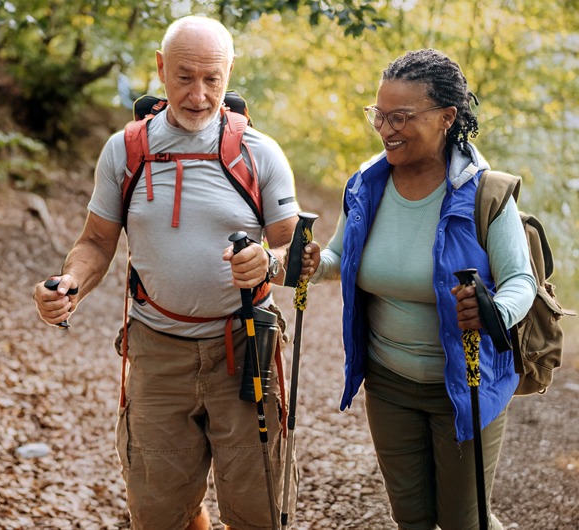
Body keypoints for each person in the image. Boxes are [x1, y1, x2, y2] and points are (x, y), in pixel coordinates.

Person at [33, 15, 300, 530]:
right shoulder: (125, 151)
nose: (199, 95)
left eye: (212, 79)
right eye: (184, 77)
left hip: (244, 346)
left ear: (229, 74)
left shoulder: (259, 153)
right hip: (156, 351)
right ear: (160, 69)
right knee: (158, 512)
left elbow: (296, 247)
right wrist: (70, 287)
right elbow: (95, 242)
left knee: (259, 510)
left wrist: (269, 261)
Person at [302, 49, 537, 530]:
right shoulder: (366, 185)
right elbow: (338, 257)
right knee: (410, 517)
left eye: (401, 117)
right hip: (388, 383)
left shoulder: (486, 194)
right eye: (379, 115)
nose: (386, 128)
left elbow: (521, 281)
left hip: (466, 383)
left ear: (446, 118)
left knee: (463, 520)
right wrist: (312, 263)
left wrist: (492, 310)